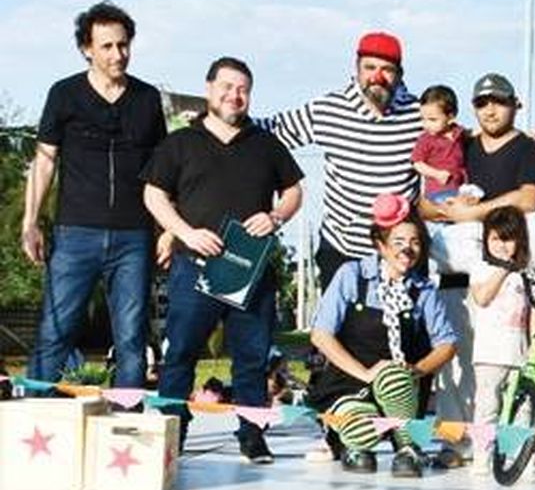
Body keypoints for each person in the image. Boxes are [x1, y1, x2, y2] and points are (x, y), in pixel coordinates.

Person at [142, 57, 305, 462]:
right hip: (193, 268)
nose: (235, 95)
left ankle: (252, 435)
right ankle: (174, 430)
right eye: (227, 86)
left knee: (252, 359)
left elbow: (294, 190)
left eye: (243, 89)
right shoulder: (180, 142)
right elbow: (154, 195)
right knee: (180, 353)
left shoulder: (265, 143)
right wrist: (184, 232)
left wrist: (276, 216)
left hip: (249, 271)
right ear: (209, 88)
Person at [22, 1, 165, 390]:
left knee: (132, 340)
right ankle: (35, 419)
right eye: (107, 47)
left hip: (133, 238)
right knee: (55, 331)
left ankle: (126, 429)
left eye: (123, 45)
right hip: (74, 234)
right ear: (87, 48)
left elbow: (162, 172)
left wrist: (165, 231)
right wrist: (30, 222)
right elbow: (45, 161)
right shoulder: (64, 94)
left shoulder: (148, 99)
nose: (118, 54)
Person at [420, 73, 535, 468]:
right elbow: (426, 204)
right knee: (453, 363)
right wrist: (450, 208)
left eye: (499, 101)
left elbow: (527, 200)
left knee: (505, 366)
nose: (490, 109)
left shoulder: (532, 149)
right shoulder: (458, 145)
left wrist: (471, 213)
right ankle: (455, 444)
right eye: (482, 103)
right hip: (453, 273)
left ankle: (514, 444)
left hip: (503, 275)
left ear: (515, 105)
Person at [308, 195, 458, 478]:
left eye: (415, 242)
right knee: (361, 428)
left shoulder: (423, 289)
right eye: (399, 242)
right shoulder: (352, 275)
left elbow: (447, 344)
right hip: (351, 383)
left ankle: (406, 445)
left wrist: (415, 370)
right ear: (381, 244)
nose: (408, 250)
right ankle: (355, 445)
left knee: (393, 377)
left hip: (401, 390)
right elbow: (321, 335)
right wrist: (366, 374)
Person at [263, 31, 423, 290]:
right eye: (369, 67)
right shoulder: (329, 109)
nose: (377, 77)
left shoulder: (419, 115)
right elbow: (272, 131)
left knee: (403, 328)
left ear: (400, 74)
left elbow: (453, 142)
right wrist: (212, 119)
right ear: (356, 69)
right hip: (342, 249)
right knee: (335, 329)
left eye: (387, 69)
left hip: (399, 251)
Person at [469, 207, 532, 477]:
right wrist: (503, 270)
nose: (501, 245)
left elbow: (531, 313)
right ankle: (481, 459)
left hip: (518, 353)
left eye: (507, 239)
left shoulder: (525, 274)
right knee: (487, 408)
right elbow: (482, 297)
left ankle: (518, 459)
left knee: (522, 410)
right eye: (495, 239)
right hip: (489, 353)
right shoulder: (481, 268)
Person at [411, 85, 469, 201]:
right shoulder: (426, 139)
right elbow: (417, 163)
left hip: (460, 187)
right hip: (438, 190)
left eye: (432, 119)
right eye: (423, 119)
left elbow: (471, 134)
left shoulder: (458, 132)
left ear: (451, 117)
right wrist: (436, 174)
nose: (426, 124)